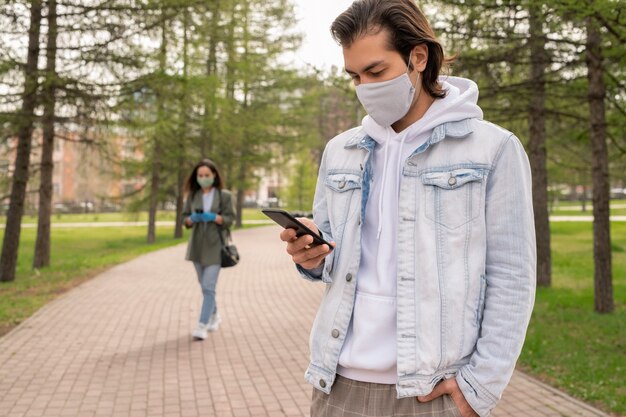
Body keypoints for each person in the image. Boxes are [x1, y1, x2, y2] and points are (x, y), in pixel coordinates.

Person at [278, 1, 536, 416]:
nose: (365, 87)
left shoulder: (493, 149)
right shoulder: (339, 151)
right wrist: (310, 257)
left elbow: (513, 277)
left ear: (418, 56)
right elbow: (330, 261)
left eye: (376, 72)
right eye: (355, 76)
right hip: (337, 385)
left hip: (430, 392)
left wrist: (481, 386)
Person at [183, 159, 235, 340]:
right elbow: (185, 219)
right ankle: (215, 315)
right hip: (197, 247)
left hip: (215, 247)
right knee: (205, 288)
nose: (203, 178)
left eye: (207, 175)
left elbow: (230, 219)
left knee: (208, 286)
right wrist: (192, 219)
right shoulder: (192, 196)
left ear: (214, 175)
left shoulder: (224, 196)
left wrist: (214, 217)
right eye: (200, 175)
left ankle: (201, 325)